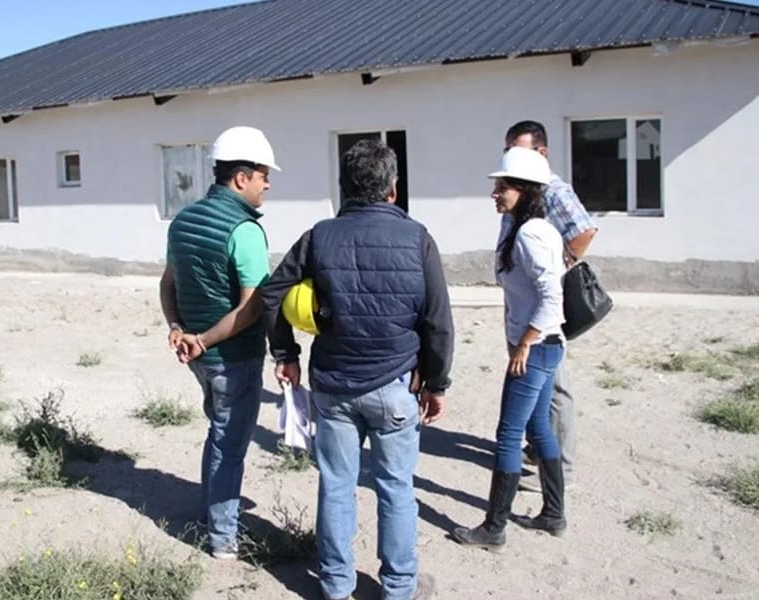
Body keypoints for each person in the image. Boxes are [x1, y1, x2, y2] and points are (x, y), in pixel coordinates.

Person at [262, 139, 454, 600]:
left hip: (333, 387)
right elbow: (438, 321)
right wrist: (437, 382)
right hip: (395, 386)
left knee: (336, 484)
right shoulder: (418, 238)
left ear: (344, 188)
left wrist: (285, 354)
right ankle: (399, 587)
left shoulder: (319, 236)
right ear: (393, 189)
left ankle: (334, 585)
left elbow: (272, 294)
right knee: (396, 488)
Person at [159, 125, 280, 559]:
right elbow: (252, 309)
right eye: (264, 175)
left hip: (199, 356)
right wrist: (204, 340)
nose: (268, 184)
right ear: (241, 177)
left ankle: (211, 512)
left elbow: (167, 284)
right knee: (230, 445)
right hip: (231, 356)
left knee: (219, 432)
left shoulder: (184, 220)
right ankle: (223, 538)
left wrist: (177, 328)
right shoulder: (245, 231)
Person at [453, 147, 567, 551]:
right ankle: (553, 514)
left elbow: (551, 297)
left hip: (536, 348)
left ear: (525, 190)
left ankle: (494, 528)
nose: (495, 193)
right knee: (538, 428)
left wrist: (524, 343)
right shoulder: (536, 228)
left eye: (503, 186)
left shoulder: (532, 233)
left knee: (508, 434)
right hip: (548, 347)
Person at [502, 120, 597, 491]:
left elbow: (584, 230)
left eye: (518, 150)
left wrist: (559, 269)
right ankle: (540, 450)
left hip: (543, 312)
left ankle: (561, 470)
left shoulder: (552, 190)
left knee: (554, 388)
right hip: (525, 306)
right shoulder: (520, 191)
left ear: (541, 153)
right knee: (537, 389)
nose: (511, 158)